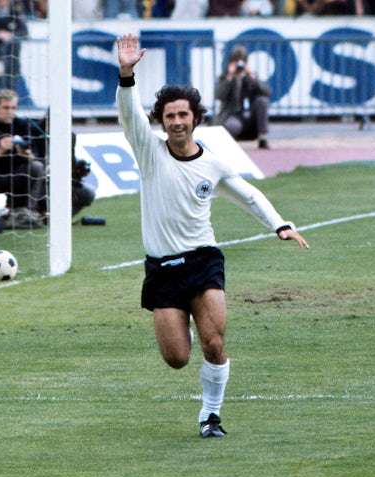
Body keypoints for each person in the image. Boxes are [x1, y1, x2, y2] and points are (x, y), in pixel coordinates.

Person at [115, 33, 310, 438]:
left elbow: (249, 195)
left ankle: (210, 416)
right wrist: (126, 74)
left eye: (183, 115)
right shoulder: (149, 152)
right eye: (169, 116)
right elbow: (129, 115)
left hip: (203, 262)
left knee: (214, 343)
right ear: (162, 121)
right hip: (163, 269)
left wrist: (280, 225)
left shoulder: (214, 165)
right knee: (177, 359)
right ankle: (179, 320)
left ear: (195, 118)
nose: (177, 121)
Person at [0, 89, 46, 228]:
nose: (10, 112)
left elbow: (35, 156)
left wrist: (24, 153)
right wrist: (0, 150)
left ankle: (27, 212)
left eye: (13, 108)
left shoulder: (23, 124)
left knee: (37, 166)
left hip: (16, 175)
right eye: (6, 108)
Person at [215, 45, 272, 150]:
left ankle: (262, 138)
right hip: (232, 115)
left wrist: (251, 76)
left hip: (249, 117)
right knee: (232, 125)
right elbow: (219, 95)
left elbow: (267, 92)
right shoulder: (225, 77)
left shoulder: (250, 77)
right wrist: (229, 78)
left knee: (262, 101)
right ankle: (231, 142)